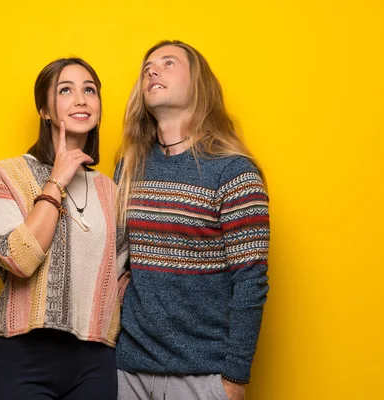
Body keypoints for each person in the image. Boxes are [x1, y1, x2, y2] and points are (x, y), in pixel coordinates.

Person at [115, 40, 270, 400]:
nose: (152, 70)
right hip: (128, 371)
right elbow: (116, 262)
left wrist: (235, 377)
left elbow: (250, 281)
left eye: (169, 63)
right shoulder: (129, 169)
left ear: (198, 83)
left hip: (203, 376)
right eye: (148, 66)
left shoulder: (234, 172)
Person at [0, 57, 129, 400]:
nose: (81, 99)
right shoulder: (6, 175)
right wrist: (57, 180)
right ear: (44, 110)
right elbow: (19, 258)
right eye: (66, 90)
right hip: (23, 357)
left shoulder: (112, 190)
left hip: (96, 360)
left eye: (90, 90)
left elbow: (122, 278)